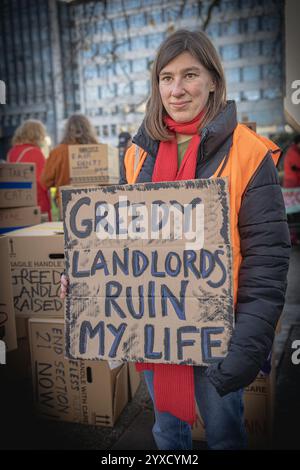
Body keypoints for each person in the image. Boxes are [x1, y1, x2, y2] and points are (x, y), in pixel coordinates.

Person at [61, 29, 290, 450]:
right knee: (167, 435)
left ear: (213, 81)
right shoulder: (137, 153)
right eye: (166, 78)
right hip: (154, 326)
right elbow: (118, 238)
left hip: (222, 334)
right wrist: (83, 274)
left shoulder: (249, 153)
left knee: (224, 437)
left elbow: (267, 259)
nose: (177, 89)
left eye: (189, 75)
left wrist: (247, 345)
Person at [40, 114, 99, 206]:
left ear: (67, 131)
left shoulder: (58, 152)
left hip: (67, 203)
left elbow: (45, 182)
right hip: (96, 202)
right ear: (89, 130)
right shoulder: (99, 151)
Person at [7, 119, 51, 221]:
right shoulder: (35, 152)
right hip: (36, 203)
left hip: (16, 201)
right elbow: (44, 181)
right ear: (37, 134)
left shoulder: (12, 152)